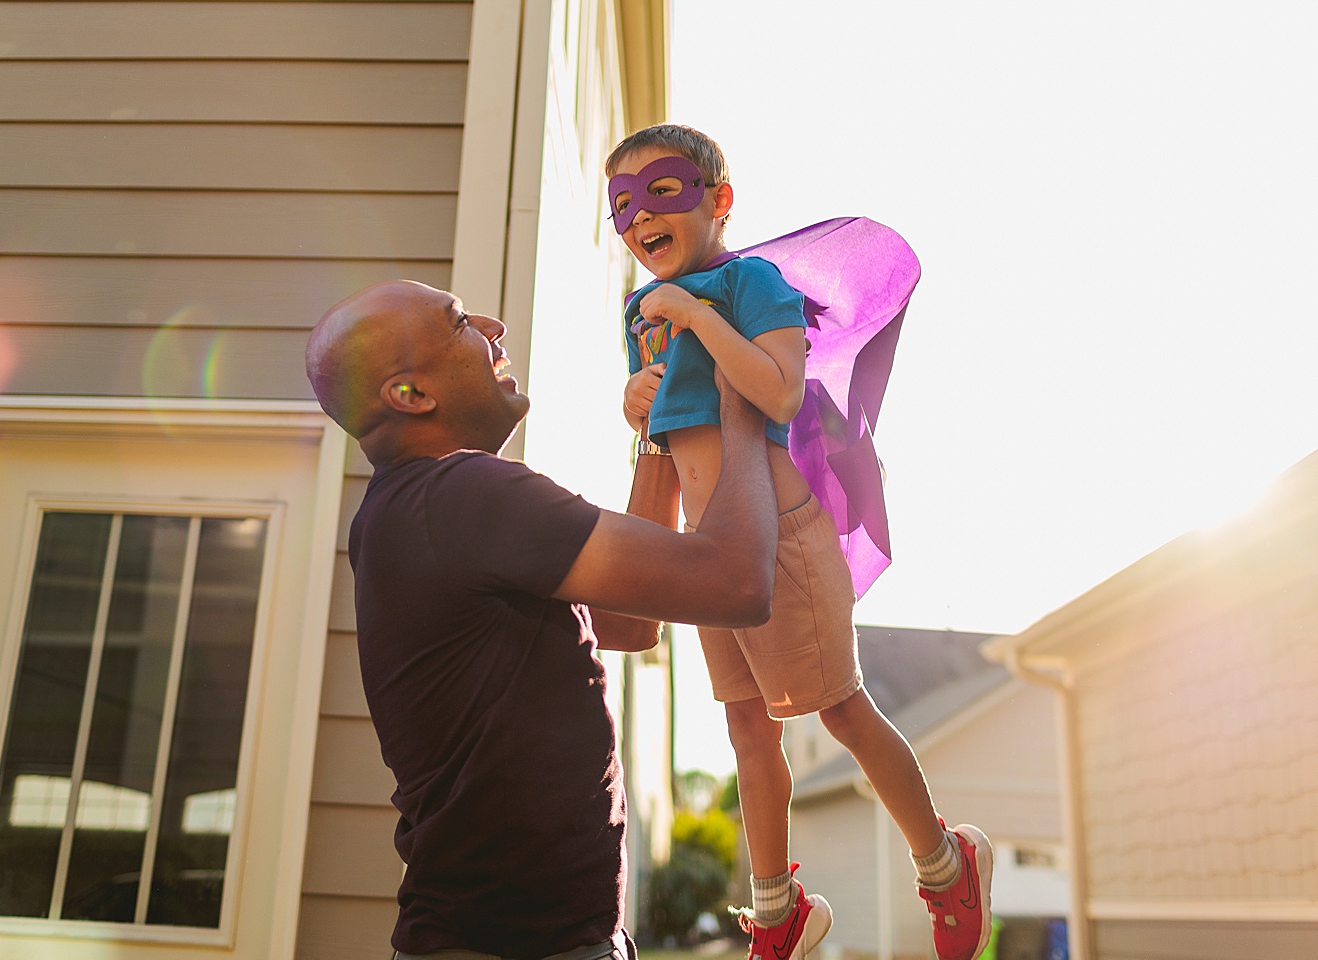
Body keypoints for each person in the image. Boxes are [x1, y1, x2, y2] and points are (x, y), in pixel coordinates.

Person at [603, 124, 994, 960]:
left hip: (781, 536)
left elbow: (779, 393)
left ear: (719, 198)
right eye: (623, 206)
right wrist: (639, 405)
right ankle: (779, 911)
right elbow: (672, 441)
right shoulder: (642, 313)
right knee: (746, 727)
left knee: (842, 709)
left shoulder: (751, 284)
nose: (640, 218)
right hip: (706, 554)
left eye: (662, 192)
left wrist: (696, 320)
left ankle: (946, 864)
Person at [305, 279, 784, 960]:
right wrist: (739, 391)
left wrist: (657, 438)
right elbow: (738, 582)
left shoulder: (408, 513)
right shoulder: (464, 494)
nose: (492, 326)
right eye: (458, 321)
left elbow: (628, 621)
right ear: (410, 396)